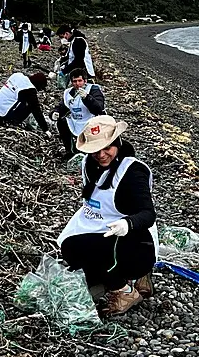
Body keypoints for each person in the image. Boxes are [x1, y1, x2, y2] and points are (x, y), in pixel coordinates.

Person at [57, 116, 158, 316]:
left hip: (135, 238)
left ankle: (125, 291)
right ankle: (116, 279)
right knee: (70, 250)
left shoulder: (133, 171)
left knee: (83, 249)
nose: (101, 155)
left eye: (107, 149)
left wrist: (127, 223)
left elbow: (148, 214)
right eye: (95, 150)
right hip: (97, 225)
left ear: (118, 143)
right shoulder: (89, 164)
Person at [51, 68, 105, 158]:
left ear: (85, 80)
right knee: (62, 122)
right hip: (76, 121)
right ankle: (70, 151)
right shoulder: (69, 92)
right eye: (74, 81)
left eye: (80, 81)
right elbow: (62, 106)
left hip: (91, 121)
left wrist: (87, 98)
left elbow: (99, 108)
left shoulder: (93, 89)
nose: (77, 84)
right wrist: (55, 112)